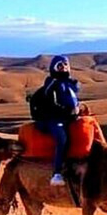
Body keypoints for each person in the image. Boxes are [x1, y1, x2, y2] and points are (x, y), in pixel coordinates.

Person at [35, 55, 80, 186]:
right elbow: (50, 102)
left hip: (69, 118)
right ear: (54, 67)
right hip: (53, 119)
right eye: (60, 66)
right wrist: (66, 111)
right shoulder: (51, 82)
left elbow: (73, 96)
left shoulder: (69, 83)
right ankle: (57, 173)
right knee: (62, 139)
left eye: (65, 65)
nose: (63, 68)